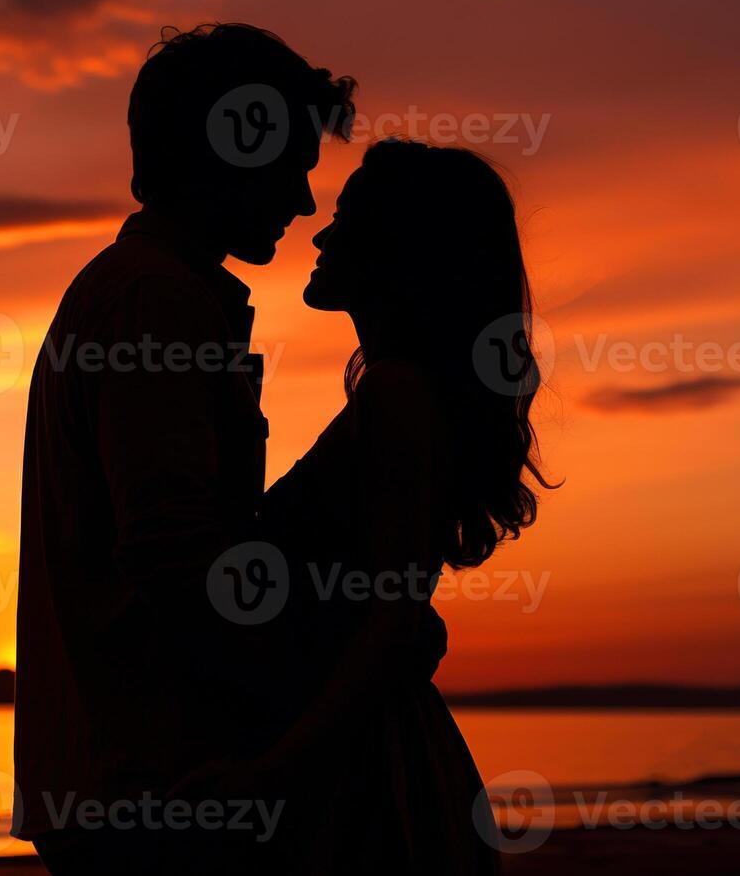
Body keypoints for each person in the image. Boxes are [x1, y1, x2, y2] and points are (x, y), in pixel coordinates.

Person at [12, 23, 356, 875]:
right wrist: (324, 670)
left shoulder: (154, 296)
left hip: (134, 786)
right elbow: (175, 550)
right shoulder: (151, 304)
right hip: (156, 793)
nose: (307, 203)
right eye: (294, 167)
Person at [185, 139, 555, 874]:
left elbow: (392, 621)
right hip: (369, 747)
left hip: (363, 768)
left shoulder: (397, 396)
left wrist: (272, 774)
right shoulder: (396, 394)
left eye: (347, 219)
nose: (320, 234)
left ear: (399, 248)